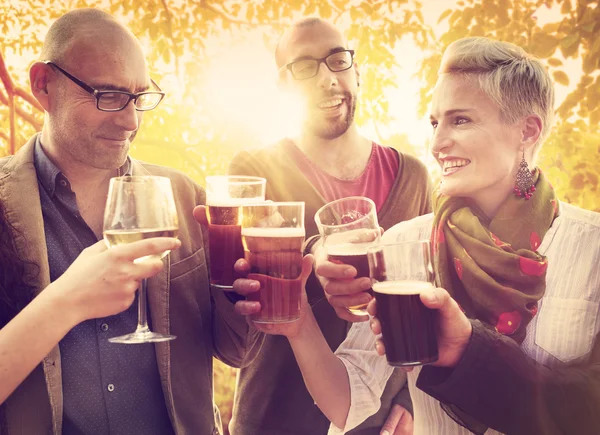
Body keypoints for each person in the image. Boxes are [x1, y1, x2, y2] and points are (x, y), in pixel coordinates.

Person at [231, 36, 600, 434]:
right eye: (435, 122)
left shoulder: (592, 247)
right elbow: (350, 402)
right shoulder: (401, 245)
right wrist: (299, 325)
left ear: (527, 131)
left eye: (461, 120)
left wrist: (466, 349)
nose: (438, 143)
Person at [0, 8, 262, 435]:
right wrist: (64, 302)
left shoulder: (184, 196)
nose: (131, 120)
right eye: (108, 95)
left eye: (139, 98)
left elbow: (236, 351)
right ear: (42, 86)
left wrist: (242, 290)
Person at [214, 16, 432, 435]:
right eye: (304, 67)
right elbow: (247, 296)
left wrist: (409, 397)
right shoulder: (255, 169)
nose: (326, 80)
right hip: (276, 419)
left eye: (337, 61)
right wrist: (315, 252)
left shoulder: (414, 176)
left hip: (378, 421)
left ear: (356, 72)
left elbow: (430, 291)